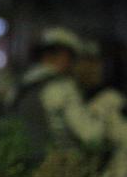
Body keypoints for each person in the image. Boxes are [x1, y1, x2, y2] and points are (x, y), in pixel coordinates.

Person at [10, 26, 106, 163]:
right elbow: (90, 135)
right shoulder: (63, 88)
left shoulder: (19, 86)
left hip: (22, 167)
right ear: (64, 55)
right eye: (73, 58)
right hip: (57, 169)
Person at [74, 38, 127, 177]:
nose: (89, 68)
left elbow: (126, 145)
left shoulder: (111, 100)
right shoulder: (69, 97)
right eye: (83, 62)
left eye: (94, 63)